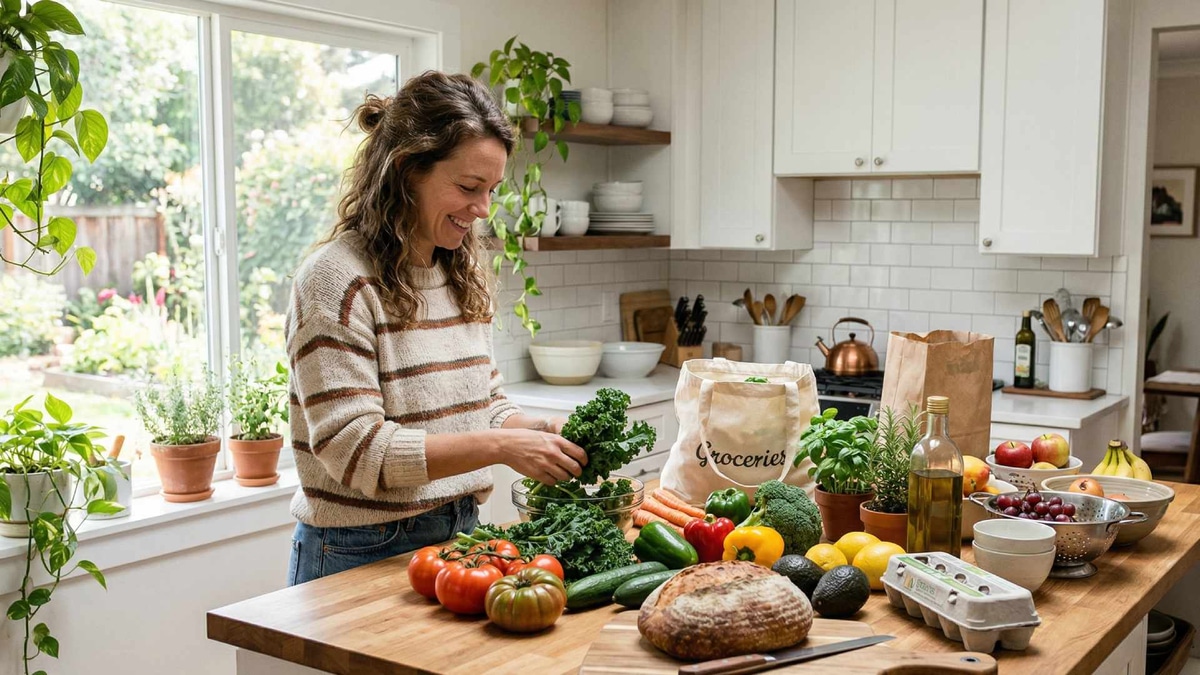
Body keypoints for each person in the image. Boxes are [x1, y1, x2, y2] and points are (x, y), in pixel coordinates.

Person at [284, 71, 587, 585]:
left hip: (461, 535)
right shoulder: (336, 281)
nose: (483, 209)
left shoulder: (458, 272)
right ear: (406, 171)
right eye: (469, 187)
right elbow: (355, 449)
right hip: (357, 550)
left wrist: (534, 433)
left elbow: (483, 402)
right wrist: (502, 449)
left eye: (491, 189)